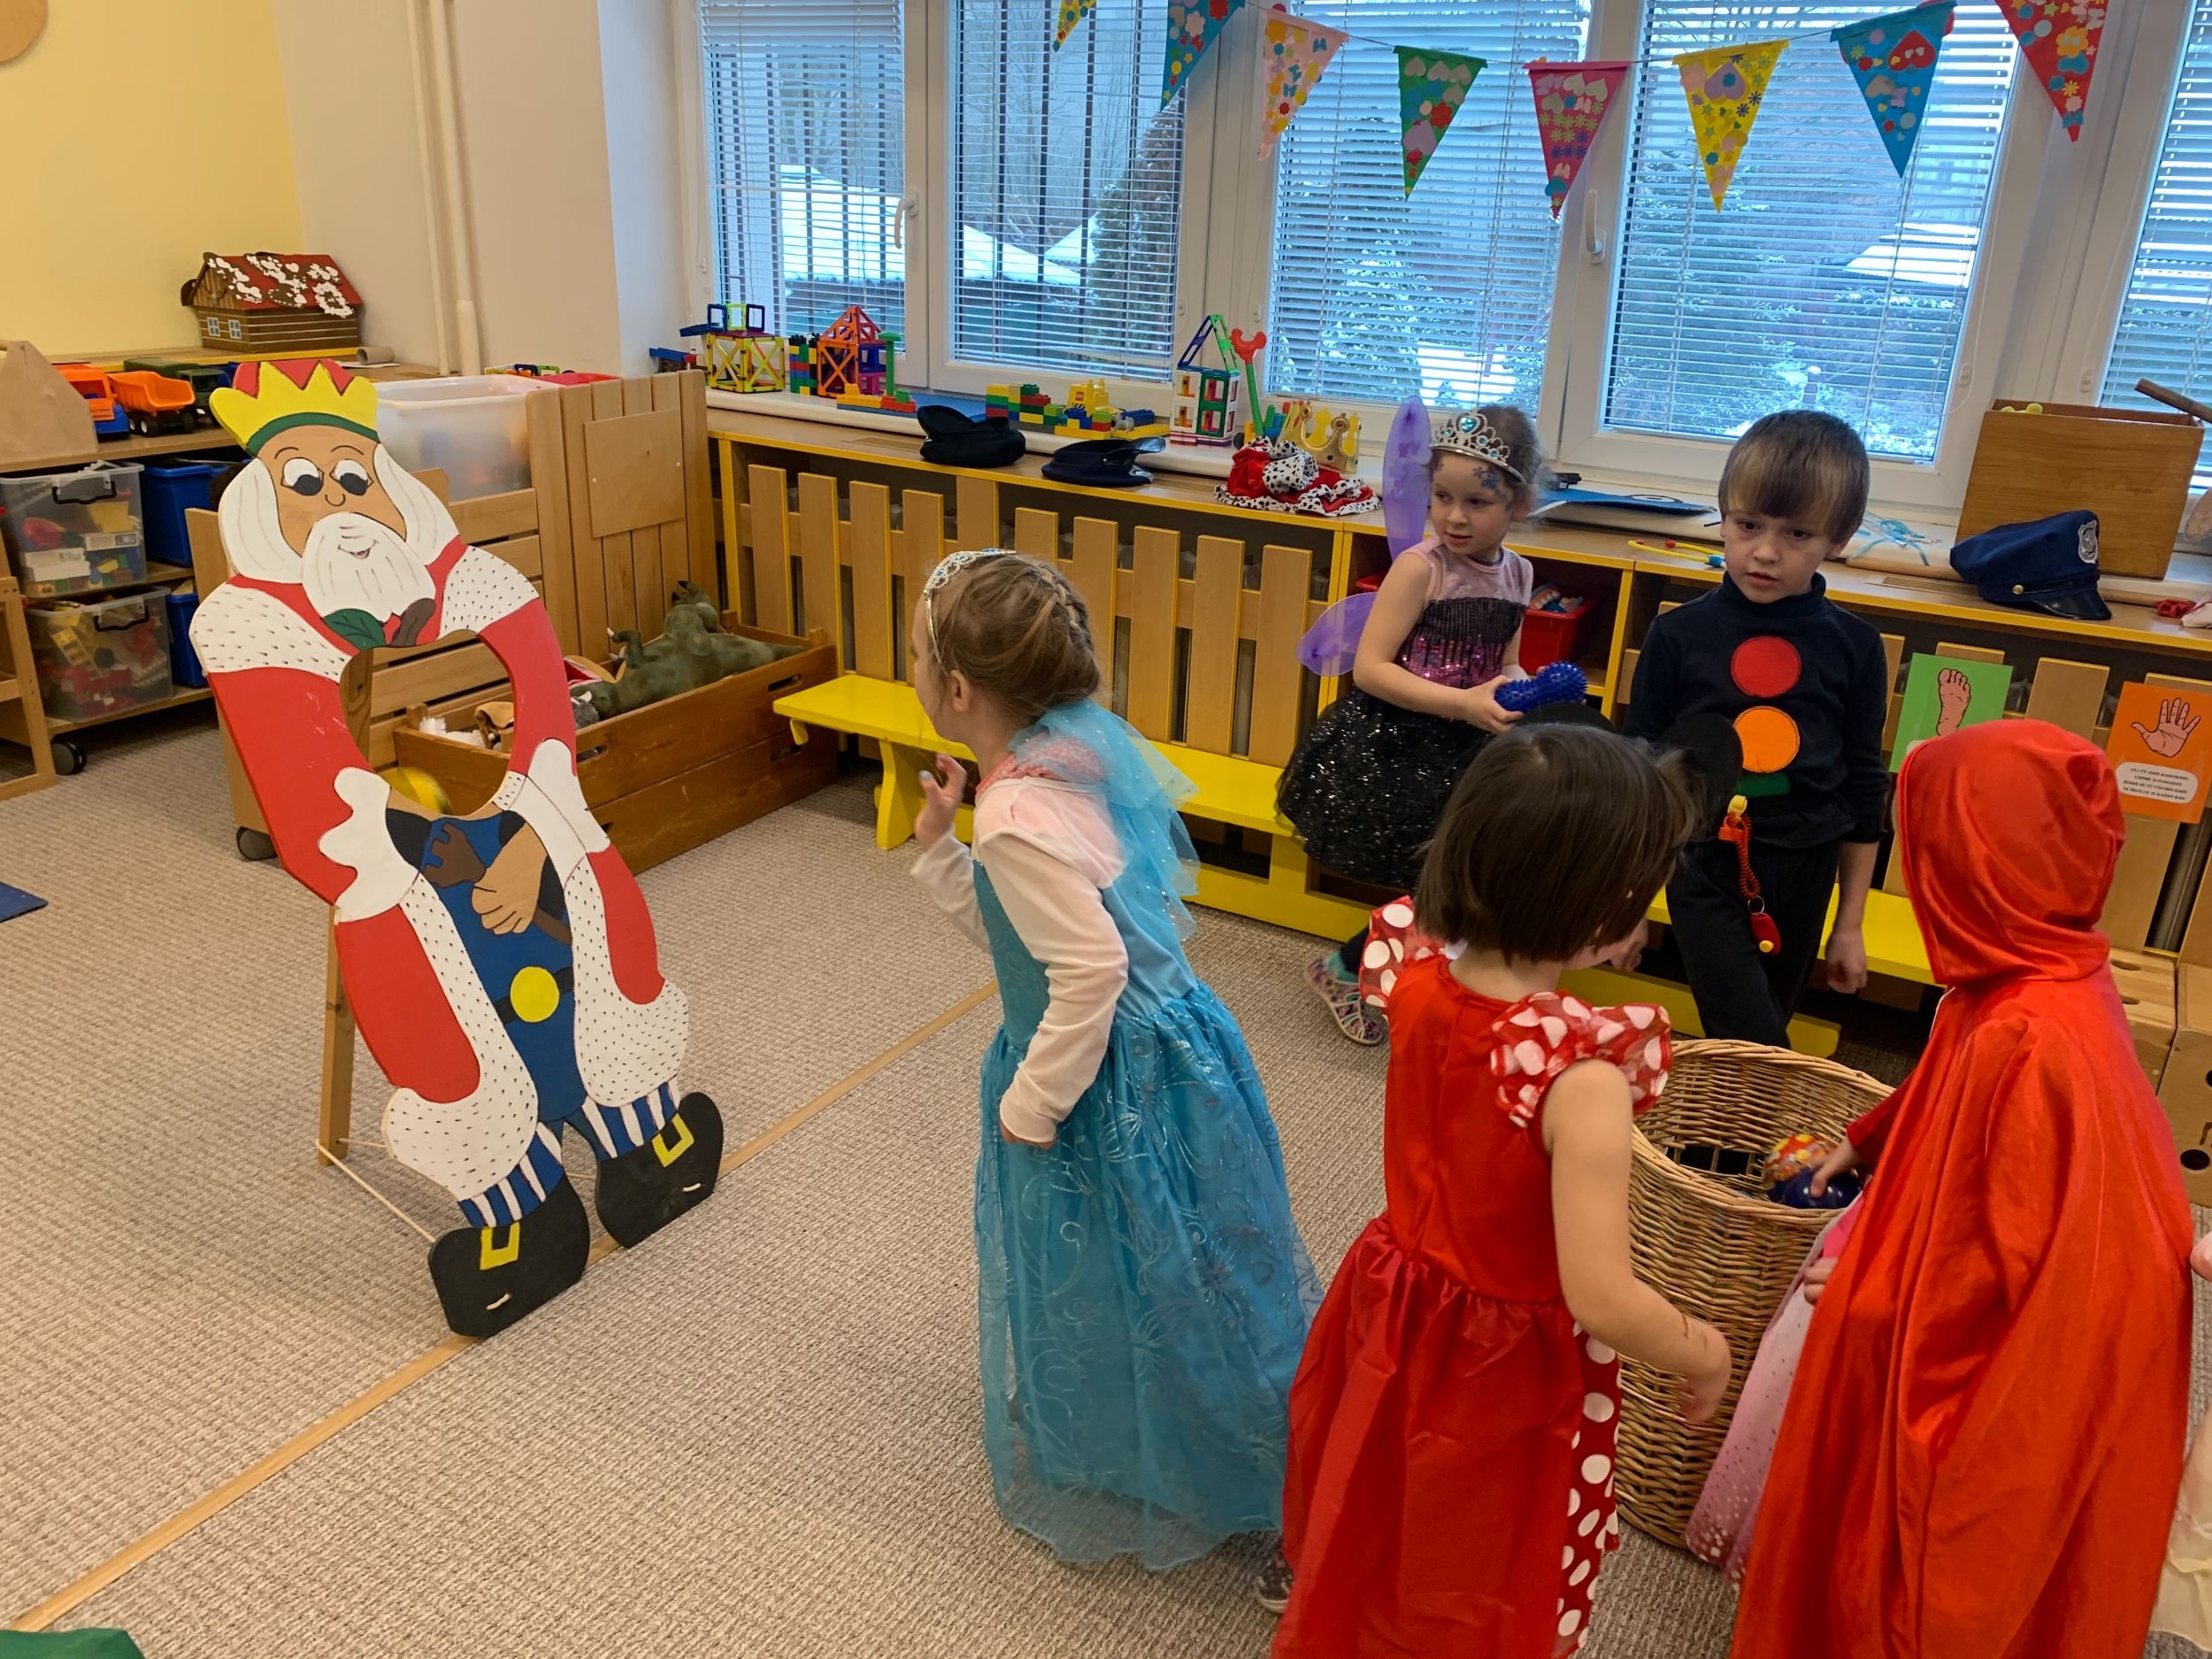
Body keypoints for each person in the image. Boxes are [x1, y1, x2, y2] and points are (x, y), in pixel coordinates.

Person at [1728, 719, 2193, 1659]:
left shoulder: (2034, 1041)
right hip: (2036, 1319)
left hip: (2026, 1378)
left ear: (1976, 864)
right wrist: (1866, 1141)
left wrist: (1877, 1287)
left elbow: (2025, 1277)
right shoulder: (2032, 977)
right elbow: (1949, 1086)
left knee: (1914, 1577)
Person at [1271, 723, 1734, 1658]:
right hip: (1501, 1362)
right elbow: (1601, 1294)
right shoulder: (1581, 1075)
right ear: (1607, 910)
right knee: (1483, 1550)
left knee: (1383, 1493)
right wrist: (1704, 1350)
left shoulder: (1414, 975)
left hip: (1395, 1299)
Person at [905, 548, 1320, 1569]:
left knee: (1153, 1270)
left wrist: (1033, 1104)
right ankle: (1173, 1436)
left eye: (915, 655)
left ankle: (1261, 1486)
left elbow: (1086, 970)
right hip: (1167, 1047)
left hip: (1105, 1079)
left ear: (955, 691)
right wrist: (939, 849)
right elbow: (1031, 937)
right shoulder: (1066, 753)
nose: (909, 669)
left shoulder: (1015, 814)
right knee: (1175, 1264)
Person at [1276, 404, 1543, 1046]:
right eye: (1442, 497)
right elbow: (1370, 669)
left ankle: (1414, 981)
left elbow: (1505, 659)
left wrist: (1520, 687)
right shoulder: (1421, 568)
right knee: (1434, 881)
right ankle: (1348, 968)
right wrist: (1464, 703)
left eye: (1477, 502)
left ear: (1518, 504)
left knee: (1461, 878)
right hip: (1399, 744)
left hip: (1471, 748)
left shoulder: (1519, 574)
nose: (1454, 517)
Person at [1624, 410, 1888, 1047]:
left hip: (1806, 866)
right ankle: (1777, 1114)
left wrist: (1849, 924)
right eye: (1748, 525)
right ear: (1723, 517)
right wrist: (1627, 904)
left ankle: (1731, 1117)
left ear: (1839, 538)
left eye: (1797, 533)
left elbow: (1864, 789)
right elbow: (1641, 774)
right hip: (1702, 858)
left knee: (1760, 1029)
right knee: (1752, 1038)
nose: (1766, 552)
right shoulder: (1678, 634)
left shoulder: (1855, 647)